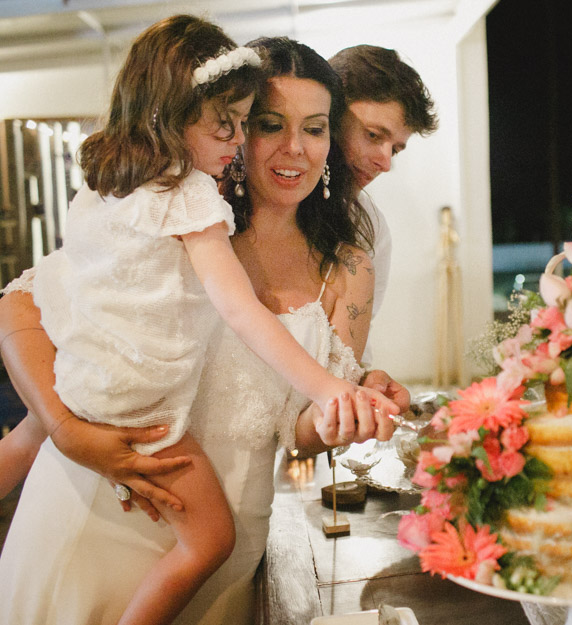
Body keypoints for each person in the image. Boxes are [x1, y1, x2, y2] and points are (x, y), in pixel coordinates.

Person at [0, 34, 399, 625]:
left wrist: (350, 408)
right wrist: (61, 427)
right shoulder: (175, 212)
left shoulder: (349, 266)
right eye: (267, 123)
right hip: (91, 505)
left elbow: (301, 429)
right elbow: (26, 304)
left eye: (315, 129)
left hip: (218, 553)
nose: (295, 148)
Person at [328, 45, 438, 367]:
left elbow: (353, 346)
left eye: (396, 150)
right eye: (374, 135)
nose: (385, 163)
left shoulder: (370, 229)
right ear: (331, 113)